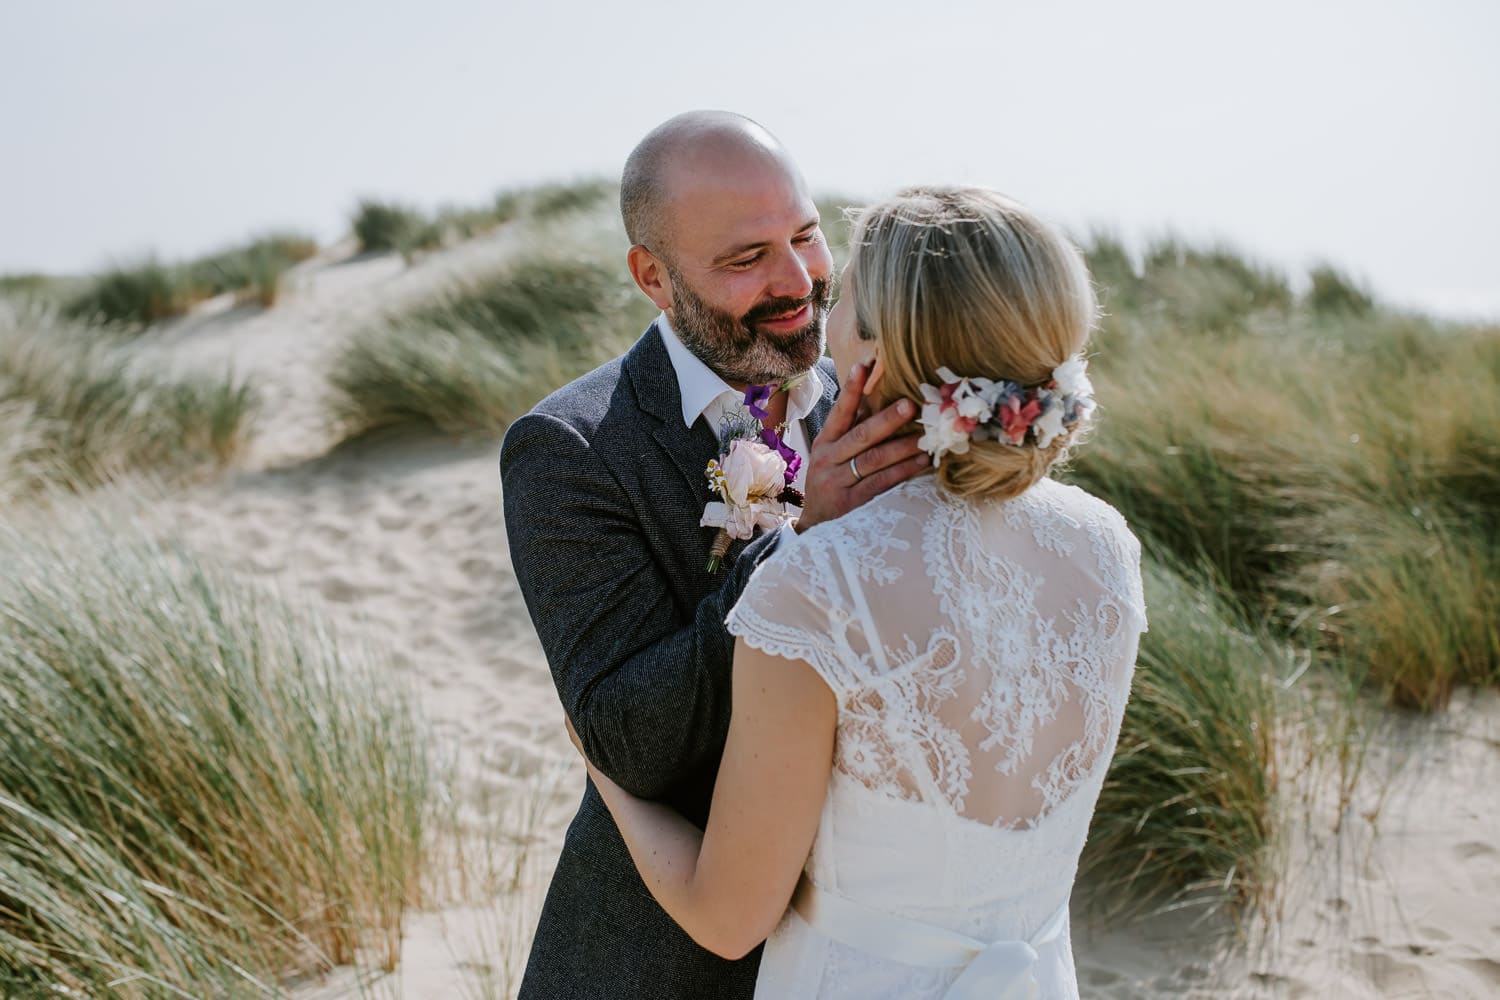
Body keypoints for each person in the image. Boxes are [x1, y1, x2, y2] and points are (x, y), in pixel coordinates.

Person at [567, 186, 1149, 999]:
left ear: (870, 357)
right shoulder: (1106, 551)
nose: (817, 309)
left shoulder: (819, 583)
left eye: (841, 300)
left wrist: (605, 775)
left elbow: (729, 918)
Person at [499, 111, 930, 999]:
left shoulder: (884, 389)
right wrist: (794, 545)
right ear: (652, 277)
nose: (796, 281)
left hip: (882, 934)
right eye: (745, 259)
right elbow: (627, 739)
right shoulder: (571, 450)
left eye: (805, 237)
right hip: (675, 962)